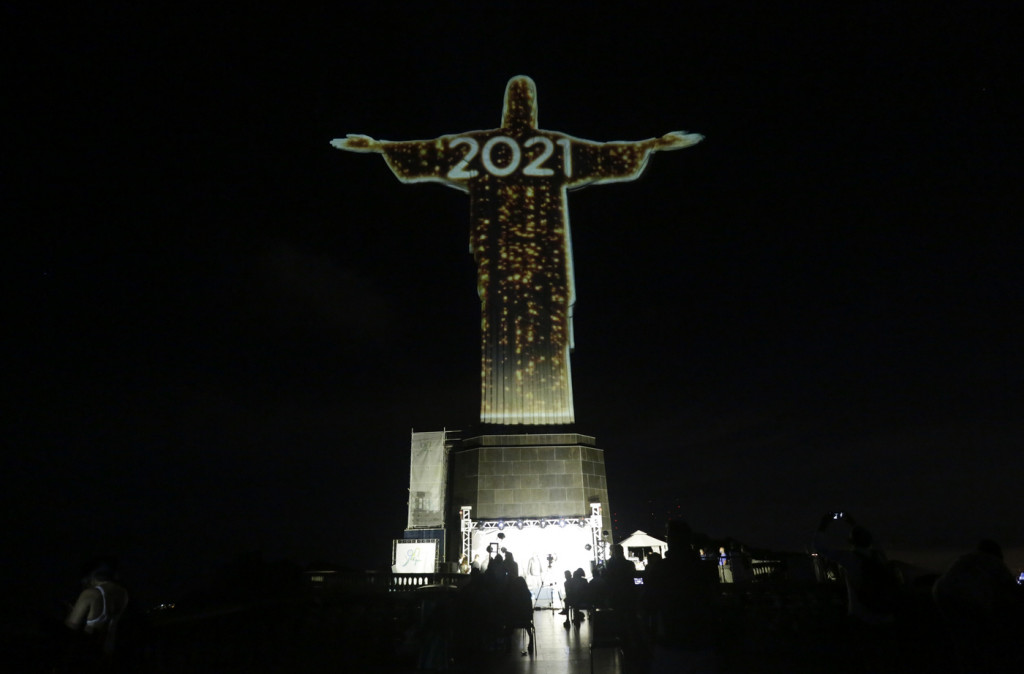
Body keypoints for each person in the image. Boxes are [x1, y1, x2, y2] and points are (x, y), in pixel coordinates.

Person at [933, 539, 1022, 672]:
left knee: (959, 635)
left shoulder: (966, 559)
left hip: (940, 592)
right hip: (965, 596)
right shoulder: (994, 562)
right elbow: (1011, 588)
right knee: (978, 634)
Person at [65, 561, 130, 667]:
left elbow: (70, 627)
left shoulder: (91, 593)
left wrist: (71, 612)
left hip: (90, 654)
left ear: (91, 576)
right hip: (110, 652)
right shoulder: (123, 592)